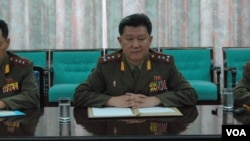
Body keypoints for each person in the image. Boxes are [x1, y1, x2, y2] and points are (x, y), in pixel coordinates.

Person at [73, 13, 197, 108]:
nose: (136, 45)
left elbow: (190, 94)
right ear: (120, 41)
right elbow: (79, 95)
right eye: (129, 39)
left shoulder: (164, 65)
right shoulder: (107, 65)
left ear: (150, 40)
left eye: (141, 39)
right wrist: (110, 100)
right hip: (117, 128)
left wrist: (157, 99)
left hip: (156, 127)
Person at [0, 19, 39, 110]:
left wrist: (3, 103)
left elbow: (32, 96)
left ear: (7, 43)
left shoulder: (21, 67)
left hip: (11, 122)